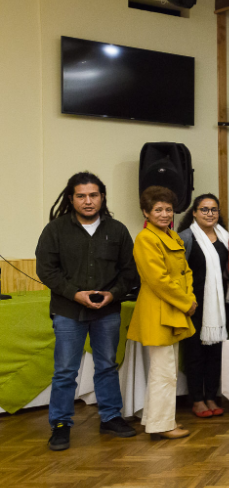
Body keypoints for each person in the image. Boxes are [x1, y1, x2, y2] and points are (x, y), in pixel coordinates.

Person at [36, 172, 138, 450]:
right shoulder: (55, 230)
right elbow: (46, 270)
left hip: (108, 311)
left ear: (102, 197)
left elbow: (129, 272)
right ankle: (60, 424)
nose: (88, 201)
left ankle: (111, 417)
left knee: (107, 366)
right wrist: (74, 294)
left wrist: (112, 294)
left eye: (93, 195)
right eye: (81, 196)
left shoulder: (117, 230)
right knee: (65, 370)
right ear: (71, 199)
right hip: (68, 311)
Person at [128, 186, 196, 441]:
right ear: (146, 212)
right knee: (164, 371)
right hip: (159, 311)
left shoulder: (171, 235)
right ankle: (162, 425)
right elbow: (158, 280)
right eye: (158, 209)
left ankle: (156, 419)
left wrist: (189, 298)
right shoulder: (146, 238)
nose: (165, 214)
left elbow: (185, 271)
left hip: (174, 307)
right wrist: (185, 303)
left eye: (168, 209)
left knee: (165, 369)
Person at [178, 194, 229, 418]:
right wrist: (186, 301)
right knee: (195, 354)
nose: (210, 214)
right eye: (204, 209)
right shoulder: (185, 238)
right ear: (194, 212)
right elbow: (178, 273)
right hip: (193, 305)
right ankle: (197, 400)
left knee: (215, 353)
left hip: (218, 306)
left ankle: (211, 396)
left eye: (214, 210)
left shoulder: (226, 237)